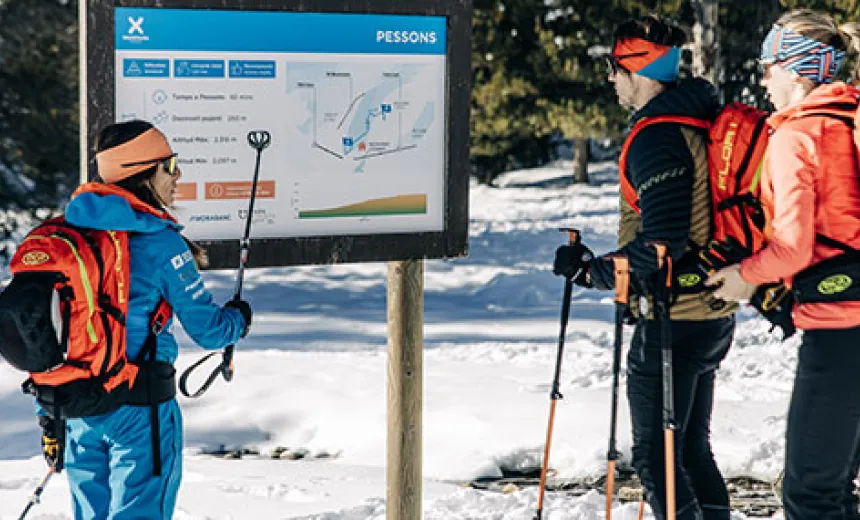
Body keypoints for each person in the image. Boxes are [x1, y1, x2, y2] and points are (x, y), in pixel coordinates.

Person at [554, 14, 736, 520]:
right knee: (692, 451)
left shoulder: (658, 137)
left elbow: (663, 244)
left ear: (640, 70)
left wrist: (591, 272)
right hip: (712, 310)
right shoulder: (695, 118)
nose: (610, 78)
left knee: (657, 461)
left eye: (616, 67)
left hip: (672, 318)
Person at [36, 120, 252, 519]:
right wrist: (238, 319)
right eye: (169, 165)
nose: (177, 174)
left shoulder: (68, 234)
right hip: (139, 405)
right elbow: (208, 330)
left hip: (77, 405)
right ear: (142, 174)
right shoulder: (161, 242)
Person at [707, 10, 860, 519]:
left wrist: (741, 278)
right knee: (838, 489)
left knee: (810, 496)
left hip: (838, 329)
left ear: (797, 70)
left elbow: (793, 248)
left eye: (769, 65)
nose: (763, 77)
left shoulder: (796, 136)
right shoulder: (849, 118)